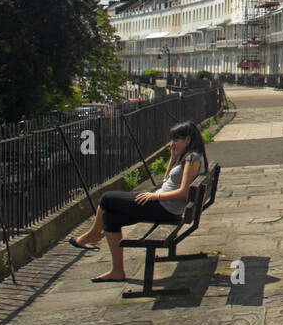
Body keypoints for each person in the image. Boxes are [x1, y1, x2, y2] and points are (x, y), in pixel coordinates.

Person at [68, 121, 207, 283]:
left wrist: (155, 197)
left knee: (106, 198)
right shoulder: (190, 156)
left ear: (188, 139)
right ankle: (117, 271)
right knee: (111, 218)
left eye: (176, 140)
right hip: (163, 206)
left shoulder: (192, 158)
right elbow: (166, 180)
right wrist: (173, 158)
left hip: (164, 208)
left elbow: (183, 193)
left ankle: (93, 234)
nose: (172, 143)